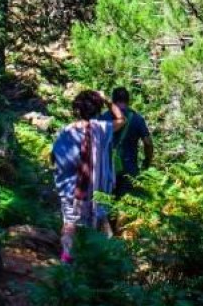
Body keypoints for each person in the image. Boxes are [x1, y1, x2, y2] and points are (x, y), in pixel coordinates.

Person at [50, 89, 124, 263]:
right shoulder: (102, 129)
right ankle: (99, 266)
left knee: (69, 223)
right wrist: (107, 100)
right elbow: (121, 120)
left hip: (71, 189)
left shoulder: (66, 131)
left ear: (77, 110)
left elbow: (55, 157)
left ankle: (66, 261)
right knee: (100, 222)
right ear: (98, 110)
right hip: (98, 189)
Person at [100, 87, 153, 197]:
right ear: (128, 100)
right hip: (129, 169)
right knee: (128, 207)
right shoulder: (137, 119)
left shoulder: (104, 117)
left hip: (107, 168)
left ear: (113, 100)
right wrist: (147, 161)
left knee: (106, 203)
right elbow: (148, 143)